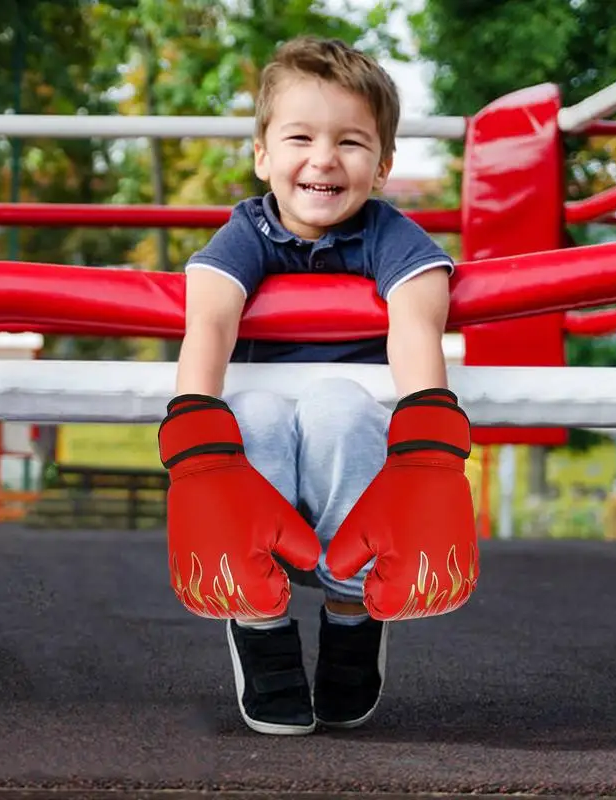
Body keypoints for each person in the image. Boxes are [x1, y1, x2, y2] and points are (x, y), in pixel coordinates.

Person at [158, 35, 477, 737]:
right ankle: (259, 618)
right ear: (263, 155)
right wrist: (197, 448)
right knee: (257, 412)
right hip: (261, 457)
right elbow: (208, 322)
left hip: (349, 456)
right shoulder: (249, 228)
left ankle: (352, 608)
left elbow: (417, 321)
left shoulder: (390, 234)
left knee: (338, 403)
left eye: (352, 142)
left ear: (385, 165)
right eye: (301, 136)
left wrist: (427, 451)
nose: (325, 158)